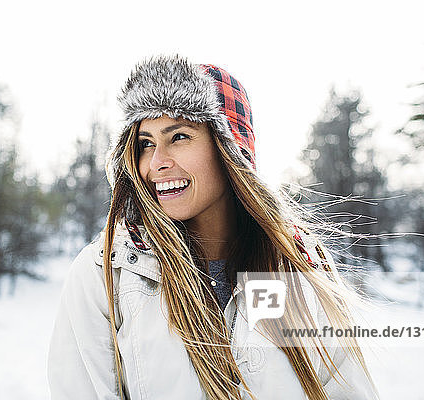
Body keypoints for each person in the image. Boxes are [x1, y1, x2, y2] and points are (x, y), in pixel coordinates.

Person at [47, 55, 379, 400]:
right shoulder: (108, 273)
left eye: (178, 136)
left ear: (229, 149)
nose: (157, 162)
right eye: (146, 143)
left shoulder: (292, 269)